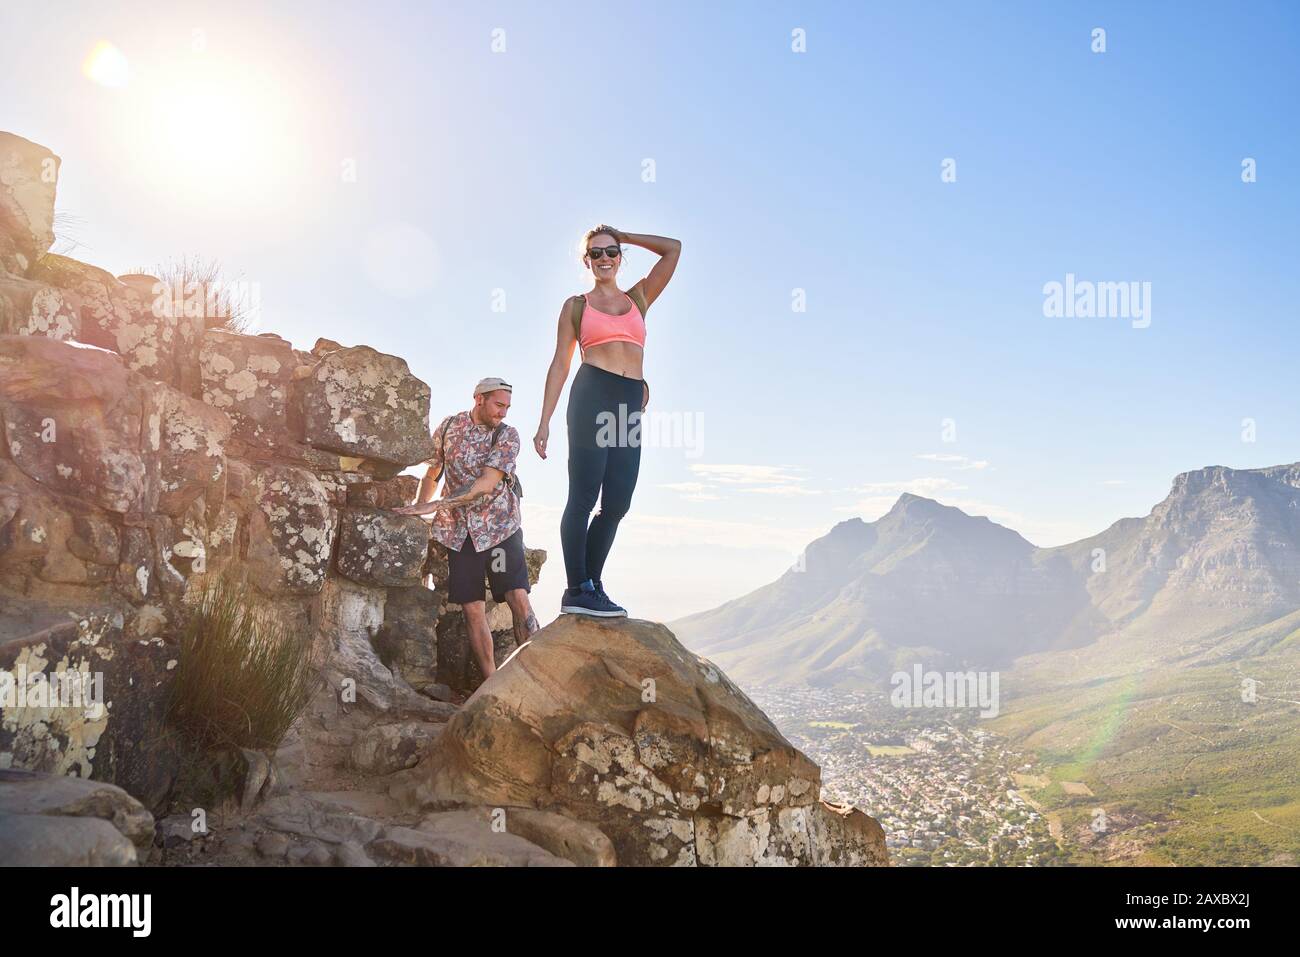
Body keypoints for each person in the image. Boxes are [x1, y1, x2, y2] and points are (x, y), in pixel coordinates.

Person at [534, 225, 681, 617]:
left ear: (619, 256)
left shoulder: (638, 298)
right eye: (595, 254)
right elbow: (560, 363)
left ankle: (593, 585)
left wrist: (625, 236)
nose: (604, 259)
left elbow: (673, 250)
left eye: (611, 252)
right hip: (592, 394)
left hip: (629, 401)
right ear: (586, 261)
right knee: (583, 496)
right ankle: (576, 588)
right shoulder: (576, 305)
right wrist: (544, 420)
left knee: (617, 501)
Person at [394, 377, 538, 680]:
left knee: (518, 598)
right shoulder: (449, 427)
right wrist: (420, 507)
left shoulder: (507, 435)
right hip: (460, 534)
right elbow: (434, 471)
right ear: (479, 399)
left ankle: (533, 677)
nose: (503, 412)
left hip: (500, 528)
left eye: (507, 407)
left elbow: (486, 484)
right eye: (499, 405)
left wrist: (434, 506)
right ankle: (491, 684)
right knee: (473, 608)